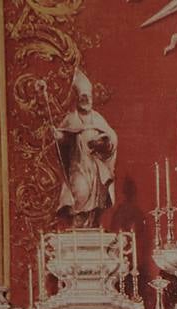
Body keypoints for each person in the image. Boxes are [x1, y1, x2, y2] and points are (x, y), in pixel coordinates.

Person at [54, 69, 118, 228]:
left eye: (88, 97)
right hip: (78, 166)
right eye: (82, 97)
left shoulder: (97, 118)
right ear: (77, 99)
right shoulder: (70, 119)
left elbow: (112, 139)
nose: (85, 100)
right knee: (80, 192)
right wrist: (58, 136)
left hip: (94, 168)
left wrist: (102, 143)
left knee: (95, 200)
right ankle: (78, 225)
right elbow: (65, 140)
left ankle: (90, 225)